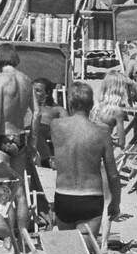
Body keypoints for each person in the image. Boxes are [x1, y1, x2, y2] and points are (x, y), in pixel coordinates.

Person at [49, 82, 121, 238]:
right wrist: (115, 203)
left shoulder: (56, 126)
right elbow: (113, 175)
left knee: (69, 251)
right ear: (91, 104)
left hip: (64, 195)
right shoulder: (102, 133)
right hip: (91, 197)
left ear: (70, 103)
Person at [0, 43, 39, 232]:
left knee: (2, 191)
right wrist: (33, 143)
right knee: (20, 190)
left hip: (3, 138)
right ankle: (24, 238)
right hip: (21, 137)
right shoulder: (26, 80)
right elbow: (37, 114)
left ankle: (7, 239)